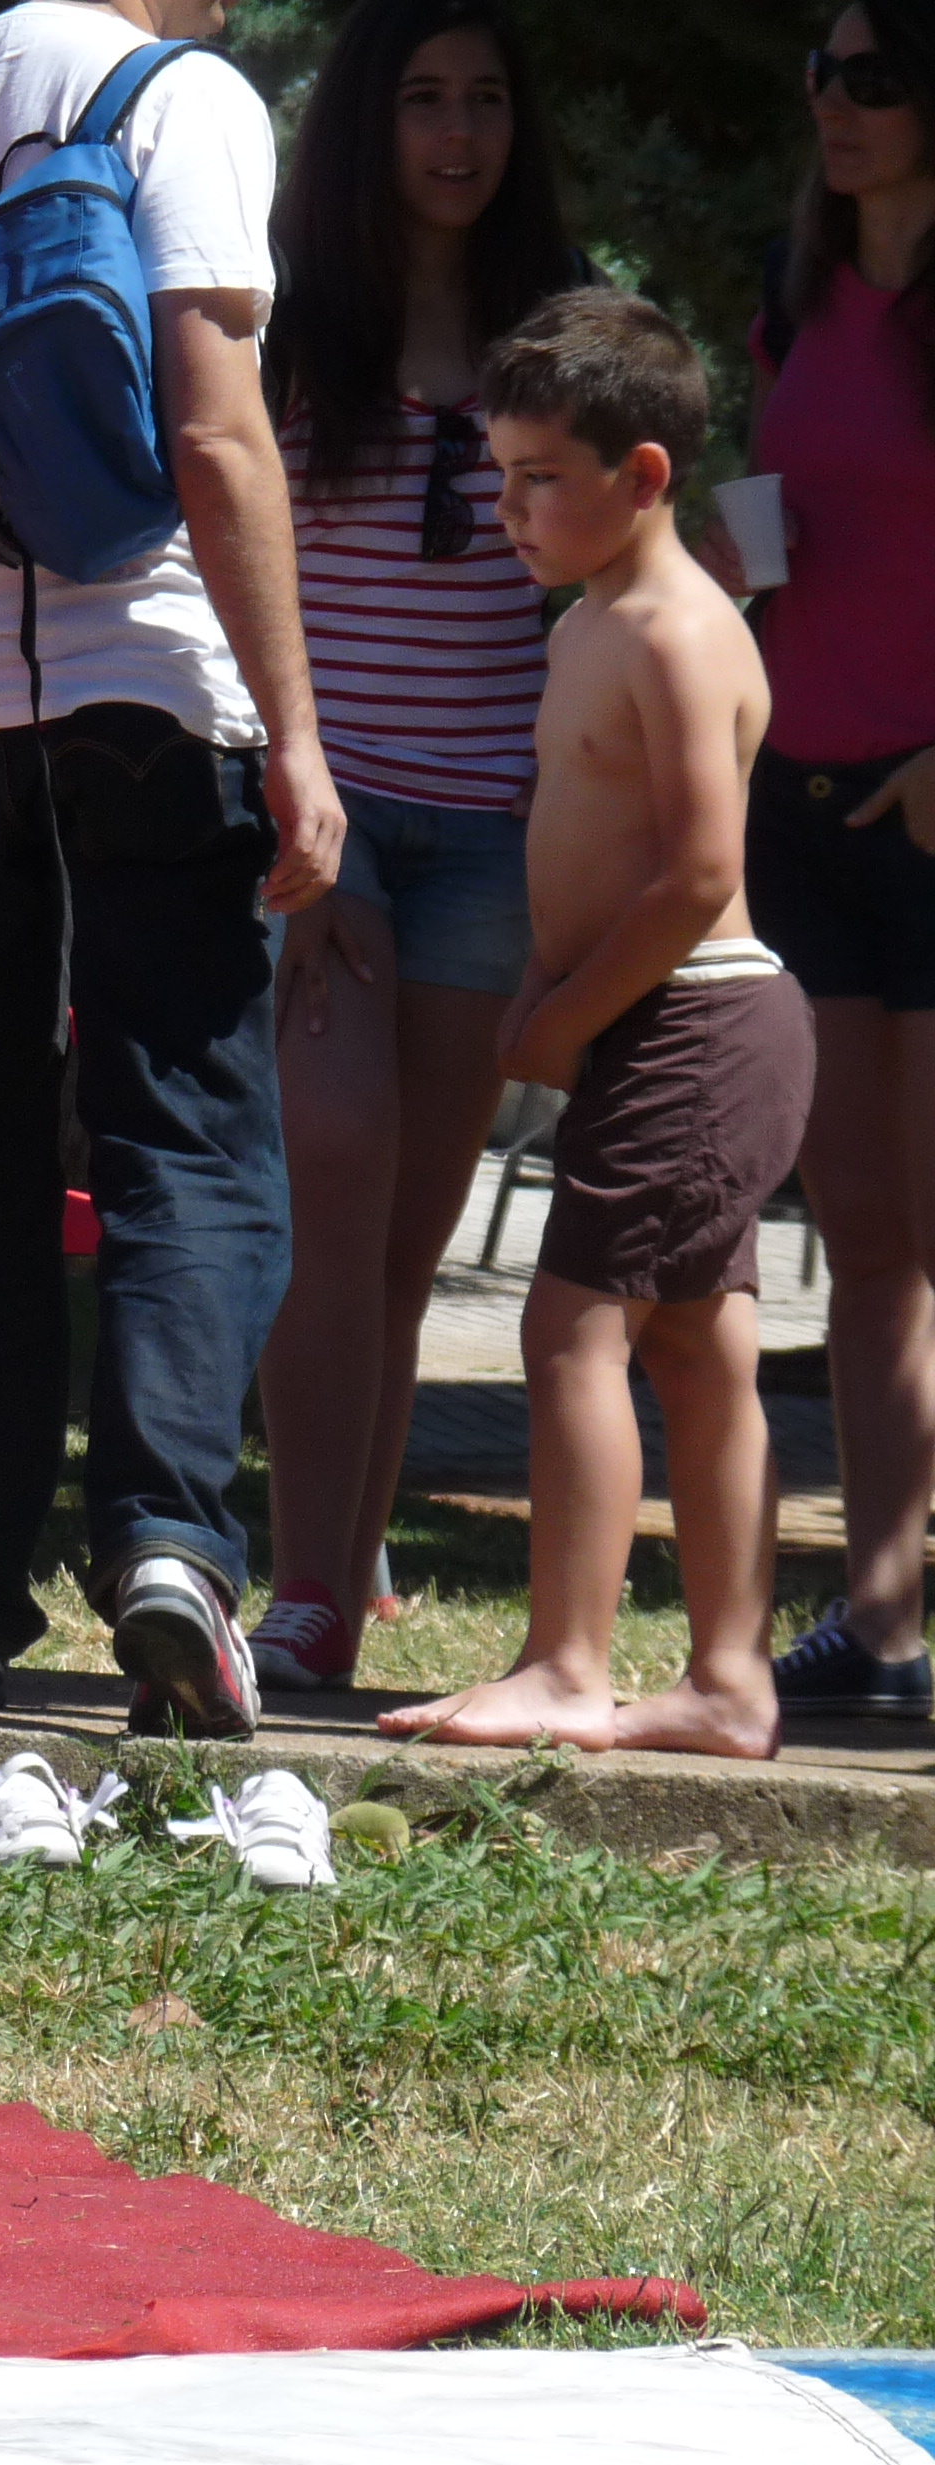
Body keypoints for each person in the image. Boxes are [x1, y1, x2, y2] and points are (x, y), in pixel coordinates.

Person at [0, 0, 343, 1736]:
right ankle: (170, 1551)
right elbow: (215, 427)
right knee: (179, 1134)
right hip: (149, 682)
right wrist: (295, 730)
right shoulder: (183, 97)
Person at [380, 294, 803, 1758]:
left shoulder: (678, 632)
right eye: (497, 475)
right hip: (659, 1022)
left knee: (573, 1332)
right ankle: (729, 1682)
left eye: (540, 477)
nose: (508, 508)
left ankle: (569, 1663)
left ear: (644, 476)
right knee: (698, 1348)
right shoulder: (589, 625)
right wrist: (548, 991)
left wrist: (566, 1014)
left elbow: (695, 870)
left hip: (696, 1022)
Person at [246, 0, 584, 1693]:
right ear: (368, 125)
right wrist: (288, 813)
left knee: (403, 1244)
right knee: (335, 1168)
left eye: (486, 100)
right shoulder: (292, 325)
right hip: (332, 820)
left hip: (491, 837)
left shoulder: (563, 339)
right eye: (425, 100)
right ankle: (300, 1587)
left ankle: (333, 1600)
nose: (458, 134)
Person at [738, 3, 935, 1716]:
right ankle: (881, 1630)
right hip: (797, 809)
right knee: (865, 1243)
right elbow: (769, 520)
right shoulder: (791, 296)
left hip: (926, 814)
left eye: (876, 78)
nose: (837, 105)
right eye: (823, 73)